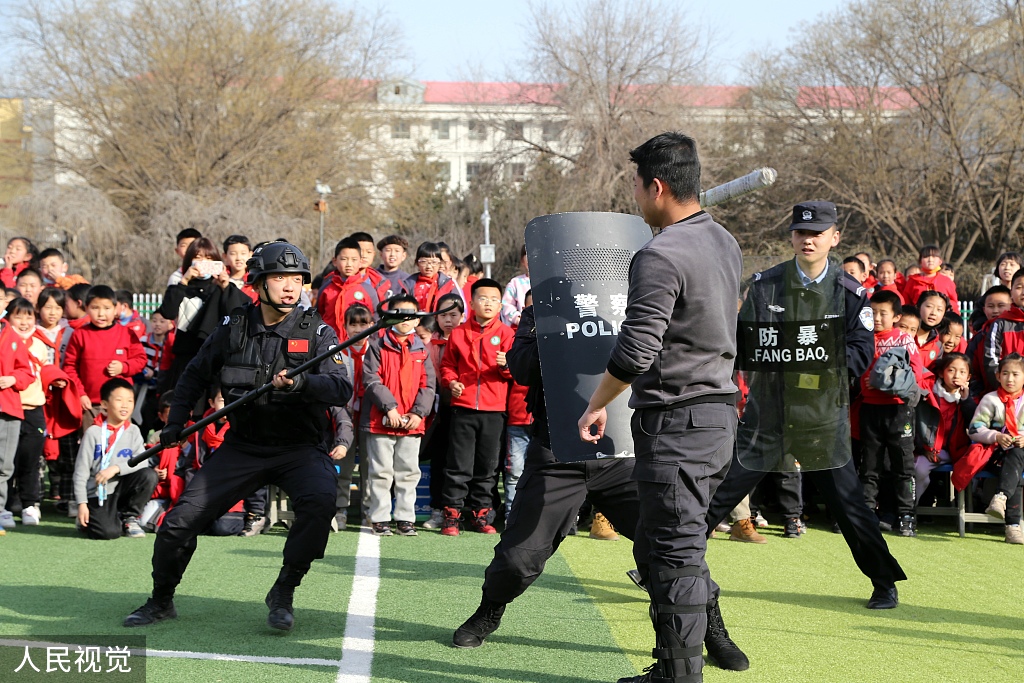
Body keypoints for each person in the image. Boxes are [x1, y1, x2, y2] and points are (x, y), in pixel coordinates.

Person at [701, 200, 906, 665]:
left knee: (850, 506)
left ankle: (883, 580)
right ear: (791, 237)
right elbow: (742, 339)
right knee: (719, 493)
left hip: (821, 418)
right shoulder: (766, 283)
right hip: (768, 415)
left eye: (818, 232)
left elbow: (860, 351)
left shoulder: (852, 293)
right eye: (799, 232)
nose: (807, 239)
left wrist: (818, 373)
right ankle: (661, 565)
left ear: (835, 237)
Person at [576, 133, 745, 682]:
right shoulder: (724, 240)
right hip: (716, 415)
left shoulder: (660, 252)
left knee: (675, 555)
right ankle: (675, 665)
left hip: (680, 421)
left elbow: (637, 349)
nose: (634, 198)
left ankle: (679, 675)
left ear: (657, 186)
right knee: (667, 546)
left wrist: (596, 403)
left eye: (635, 186)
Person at [123, 241, 352, 632]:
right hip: (243, 447)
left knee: (319, 502)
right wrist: (175, 424)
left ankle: (284, 588)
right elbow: (194, 374)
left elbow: (340, 389)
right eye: (280, 278)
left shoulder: (318, 331)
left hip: (300, 449)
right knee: (179, 522)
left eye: (296, 279)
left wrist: (300, 385)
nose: (290, 287)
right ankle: (161, 599)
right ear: (258, 283)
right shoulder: (233, 326)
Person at [451, 300, 646, 649]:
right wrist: (550, 327)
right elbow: (521, 369)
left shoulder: (632, 299)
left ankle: (707, 623)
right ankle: (489, 610)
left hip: (625, 449)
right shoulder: (539, 309)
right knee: (518, 556)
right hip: (558, 450)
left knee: (672, 547)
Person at [439, 278, 514, 536]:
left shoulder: (507, 334)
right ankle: (451, 515)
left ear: (501, 304)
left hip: (495, 410)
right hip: (464, 408)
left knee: (488, 466)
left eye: (494, 299)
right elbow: (447, 365)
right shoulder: (458, 334)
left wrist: (506, 365)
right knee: (458, 465)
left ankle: (482, 514)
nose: (489, 304)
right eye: (483, 298)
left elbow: (516, 375)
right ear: (471, 303)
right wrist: (452, 382)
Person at [362, 294, 435, 536]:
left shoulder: (421, 349)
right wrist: (389, 408)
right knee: (380, 472)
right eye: (399, 313)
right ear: (389, 317)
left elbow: (429, 386)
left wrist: (418, 413)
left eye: (411, 314)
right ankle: (380, 518)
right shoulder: (377, 345)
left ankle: (405, 518)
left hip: (412, 423)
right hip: (381, 421)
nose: (405, 319)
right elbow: (372, 380)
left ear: (417, 321)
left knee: (408, 472)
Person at [858, 289, 927, 537]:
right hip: (869, 409)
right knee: (870, 467)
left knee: (903, 466)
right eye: (872, 312)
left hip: (899, 409)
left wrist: (886, 383)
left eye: (882, 313)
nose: (876, 318)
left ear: (896, 316)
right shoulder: (863, 337)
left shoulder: (904, 339)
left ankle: (906, 515)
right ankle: (866, 514)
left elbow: (917, 373)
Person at [157, 237, 251, 394]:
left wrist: (226, 285)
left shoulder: (222, 288)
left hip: (214, 358)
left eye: (209, 258)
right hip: (185, 356)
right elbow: (168, 312)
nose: (203, 262)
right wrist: (184, 280)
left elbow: (237, 313)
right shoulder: (180, 287)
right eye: (198, 258)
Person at [73, 378, 158, 539]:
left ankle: (129, 517)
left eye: (130, 400)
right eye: (119, 400)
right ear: (105, 404)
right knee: (107, 533)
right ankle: (95, 519)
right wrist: (82, 504)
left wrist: (116, 468)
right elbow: (80, 472)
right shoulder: (93, 433)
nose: (125, 405)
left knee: (148, 475)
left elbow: (143, 462)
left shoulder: (133, 431)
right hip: (98, 492)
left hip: (123, 487)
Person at [62, 285, 148, 418]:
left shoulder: (126, 334)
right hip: (91, 404)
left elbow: (141, 360)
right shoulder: (80, 335)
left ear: (115, 310)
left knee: (121, 438)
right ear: (86, 308)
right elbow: (70, 367)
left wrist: (124, 367)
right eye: (95, 308)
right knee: (92, 438)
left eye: (107, 308)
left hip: (120, 404)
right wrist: (80, 394)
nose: (101, 314)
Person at [968, 354, 1024, 544]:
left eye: (1016, 374)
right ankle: (1013, 527)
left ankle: (1001, 498)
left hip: (1019, 455)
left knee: (1018, 454)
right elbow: (975, 429)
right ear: (998, 376)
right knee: (1014, 465)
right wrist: (996, 436)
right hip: (996, 454)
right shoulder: (990, 400)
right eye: (1005, 374)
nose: (1010, 379)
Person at [420, 293, 465, 529]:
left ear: (462, 316)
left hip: (464, 409)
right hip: (436, 411)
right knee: (439, 461)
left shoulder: (468, 339)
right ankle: (438, 509)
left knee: (460, 463)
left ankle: (461, 510)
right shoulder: (428, 344)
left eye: (453, 315)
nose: (448, 320)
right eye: (443, 315)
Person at [6, 298, 51, 526]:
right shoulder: (3, 342)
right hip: (8, 410)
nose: (24, 322)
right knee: (6, 461)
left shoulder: (39, 344)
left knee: (31, 460)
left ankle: (29, 504)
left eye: (29, 316)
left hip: (34, 409)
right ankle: (6, 505)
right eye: (18, 316)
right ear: (8, 318)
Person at [914, 353, 972, 504]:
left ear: (968, 377)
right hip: (930, 450)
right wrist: (924, 449)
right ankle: (910, 510)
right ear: (941, 373)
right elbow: (918, 426)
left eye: (962, 372)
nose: (956, 376)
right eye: (951, 370)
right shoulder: (929, 396)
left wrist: (966, 400)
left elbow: (974, 422)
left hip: (957, 451)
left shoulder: (968, 399)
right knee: (919, 469)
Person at [967, 271, 1024, 399]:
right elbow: (991, 359)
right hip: (1002, 394)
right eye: (1019, 287)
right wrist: (1005, 388)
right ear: (1012, 292)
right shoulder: (1000, 324)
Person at [0, 316, 34, 532]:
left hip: (8, 408)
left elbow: (27, 372)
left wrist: (13, 379)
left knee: (4, 465)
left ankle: (0, 508)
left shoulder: (11, 336)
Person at [317, 237, 380, 338]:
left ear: (360, 262)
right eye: (344, 259)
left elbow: (377, 320)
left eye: (354, 260)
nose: (349, 264)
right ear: (334, 261)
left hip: (357, 347)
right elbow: (318, 316)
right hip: (329, 346)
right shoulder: (326, 289)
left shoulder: (368, 290)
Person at [901, 245, 959, 314]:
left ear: (940, 261)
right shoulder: (912, 281)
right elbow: (906, 304)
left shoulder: (947, 281)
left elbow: (954, 304)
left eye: (934, 256)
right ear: (920, 261)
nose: (930, 260)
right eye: (926, 256)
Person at [402, 242, 457, 314]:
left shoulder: (448, 284)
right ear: (417, 263)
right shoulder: (408, 284)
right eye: (424, 262)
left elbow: (456, 308)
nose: (429, 267)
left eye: (434, 262)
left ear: (440, 263)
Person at [501, 246, 531, 327]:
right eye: (528, 255)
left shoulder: (548, 282)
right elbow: (506, 304)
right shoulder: (515, 283)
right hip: (523, 326)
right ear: (522, 260)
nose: (532, 258)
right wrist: (517, 318)